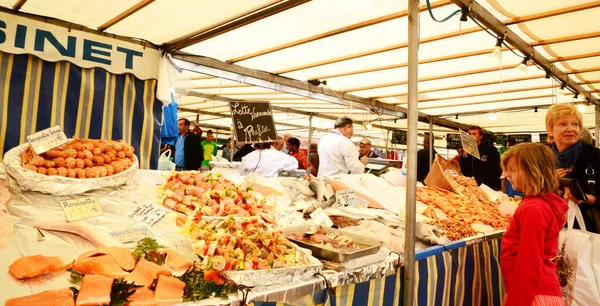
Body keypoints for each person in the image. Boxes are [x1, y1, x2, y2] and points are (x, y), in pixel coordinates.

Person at [500, 143, 567, 306]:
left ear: (532, 171)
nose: (507, 174)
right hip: (536, 291)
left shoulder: (533, 209)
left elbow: (528, 265)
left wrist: (516, 302)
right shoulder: (538, 204)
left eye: (513, 169)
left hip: (533, 295)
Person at [546, 104, 600, 233]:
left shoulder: (594, 157)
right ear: (550, 130)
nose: (570, 129)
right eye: (562, 124)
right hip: (552, 229)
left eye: (575, 124)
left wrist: (588, 198)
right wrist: (549, 182)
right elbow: (530, 194)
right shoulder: (543, 160)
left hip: (589, 232)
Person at [459, 126, 502, 190]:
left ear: (480, 136)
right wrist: (465, 155)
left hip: (488, 186)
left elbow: (498, 167)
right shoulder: (466, 151)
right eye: (469, 134)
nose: (471, 136)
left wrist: (497, 185)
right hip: (472, 187)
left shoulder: (490, 149)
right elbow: (463, 169)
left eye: (474, 134)